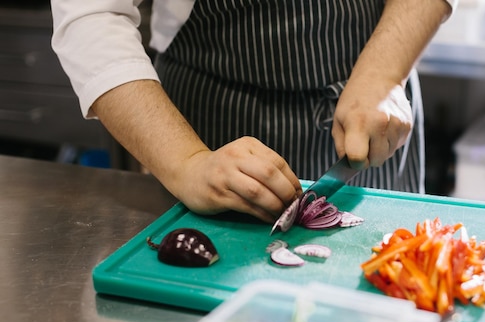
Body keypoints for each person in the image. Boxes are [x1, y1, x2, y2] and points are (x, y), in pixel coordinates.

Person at [51, 0, 455, 223]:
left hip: (373, 113)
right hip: (208, 129)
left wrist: (384, 74)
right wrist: (188, 163)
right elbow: (92, 16)